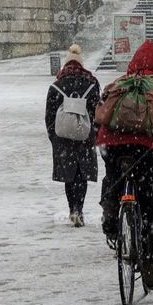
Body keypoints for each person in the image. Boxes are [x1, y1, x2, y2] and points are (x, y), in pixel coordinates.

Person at [97, 40, 153, 291]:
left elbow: (100, 118)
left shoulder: (119, 83)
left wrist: (107, 144)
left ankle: (111, 210)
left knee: (114, 177)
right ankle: (151, 270)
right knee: (151, 207)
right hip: (147, 150)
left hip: (112, 145)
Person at [44, 44, 101, 228]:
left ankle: (72, 209)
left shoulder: (56, 86)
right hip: (85, 136)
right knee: (81, 175)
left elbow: (49, 116)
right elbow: (98, 112)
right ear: (81, 65)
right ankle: (79, 208)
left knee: (69, 176)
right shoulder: (92, 84)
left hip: (63, 138)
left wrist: (54, 137)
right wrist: (93, 133)